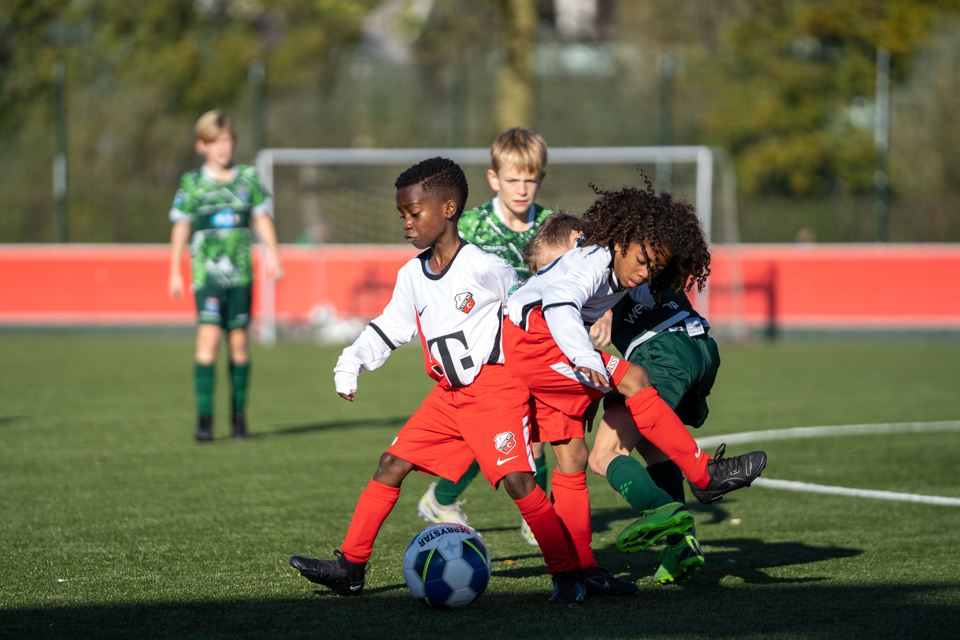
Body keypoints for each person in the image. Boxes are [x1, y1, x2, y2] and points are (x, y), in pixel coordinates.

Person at [288, 157, 591, 605]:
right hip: (447, 398)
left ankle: (567, 576)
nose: (407, 224)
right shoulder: (411, 274)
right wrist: (351, 361)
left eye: (415, 213)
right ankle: (350, 568)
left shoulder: (487, 267)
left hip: (495, 391)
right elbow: (391, 326)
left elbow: (531, 309)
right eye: (403, 216)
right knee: (391, 465)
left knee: (518, 484)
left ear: (449, 209)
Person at [502, 175, 767, 587]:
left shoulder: (608, 266)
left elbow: (576, 301)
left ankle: (605, 551)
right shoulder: (604, 266)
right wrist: (584, 357)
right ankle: (686, 521)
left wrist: (585, 354)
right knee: (642, 420)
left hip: (636, 351)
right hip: (686, 349)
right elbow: (566, 303)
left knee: (590, 454)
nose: (643, 274)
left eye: (652, 268)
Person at [417, 128, 613, 546]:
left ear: (541, 178)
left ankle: (521, 512)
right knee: (506, 433)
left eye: (530, 180)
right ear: (494, 179)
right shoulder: (468, 225)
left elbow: (591, 273)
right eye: (513, 180)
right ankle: (529, 513)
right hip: (483, 346)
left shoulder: (555, 226)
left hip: (537, 343)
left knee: (527, 433)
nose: (522, 189)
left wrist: (605, 311)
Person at [525, 211, 710, 585]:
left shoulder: (604, 271)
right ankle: (681, 545)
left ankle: (675, 502)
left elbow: (592, 301)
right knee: (651, 445)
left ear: (579, 243)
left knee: (603, 454)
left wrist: (604, 317)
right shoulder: (621, 266)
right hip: (698, 347)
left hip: (662, 352)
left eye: (553, 268)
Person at [168, 110, 282, 441]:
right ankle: (204, 421)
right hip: (206, 275)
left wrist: (274, 253)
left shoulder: (247, 178)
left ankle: (238, 418)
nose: (223, 147)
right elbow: (181, 226)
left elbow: (261, 219)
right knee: (207, 339)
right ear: (202, 145)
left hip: (241, 276)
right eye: (215, 141)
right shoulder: (192, 183)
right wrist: (175, 270)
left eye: (228, 140)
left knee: (239, 343)